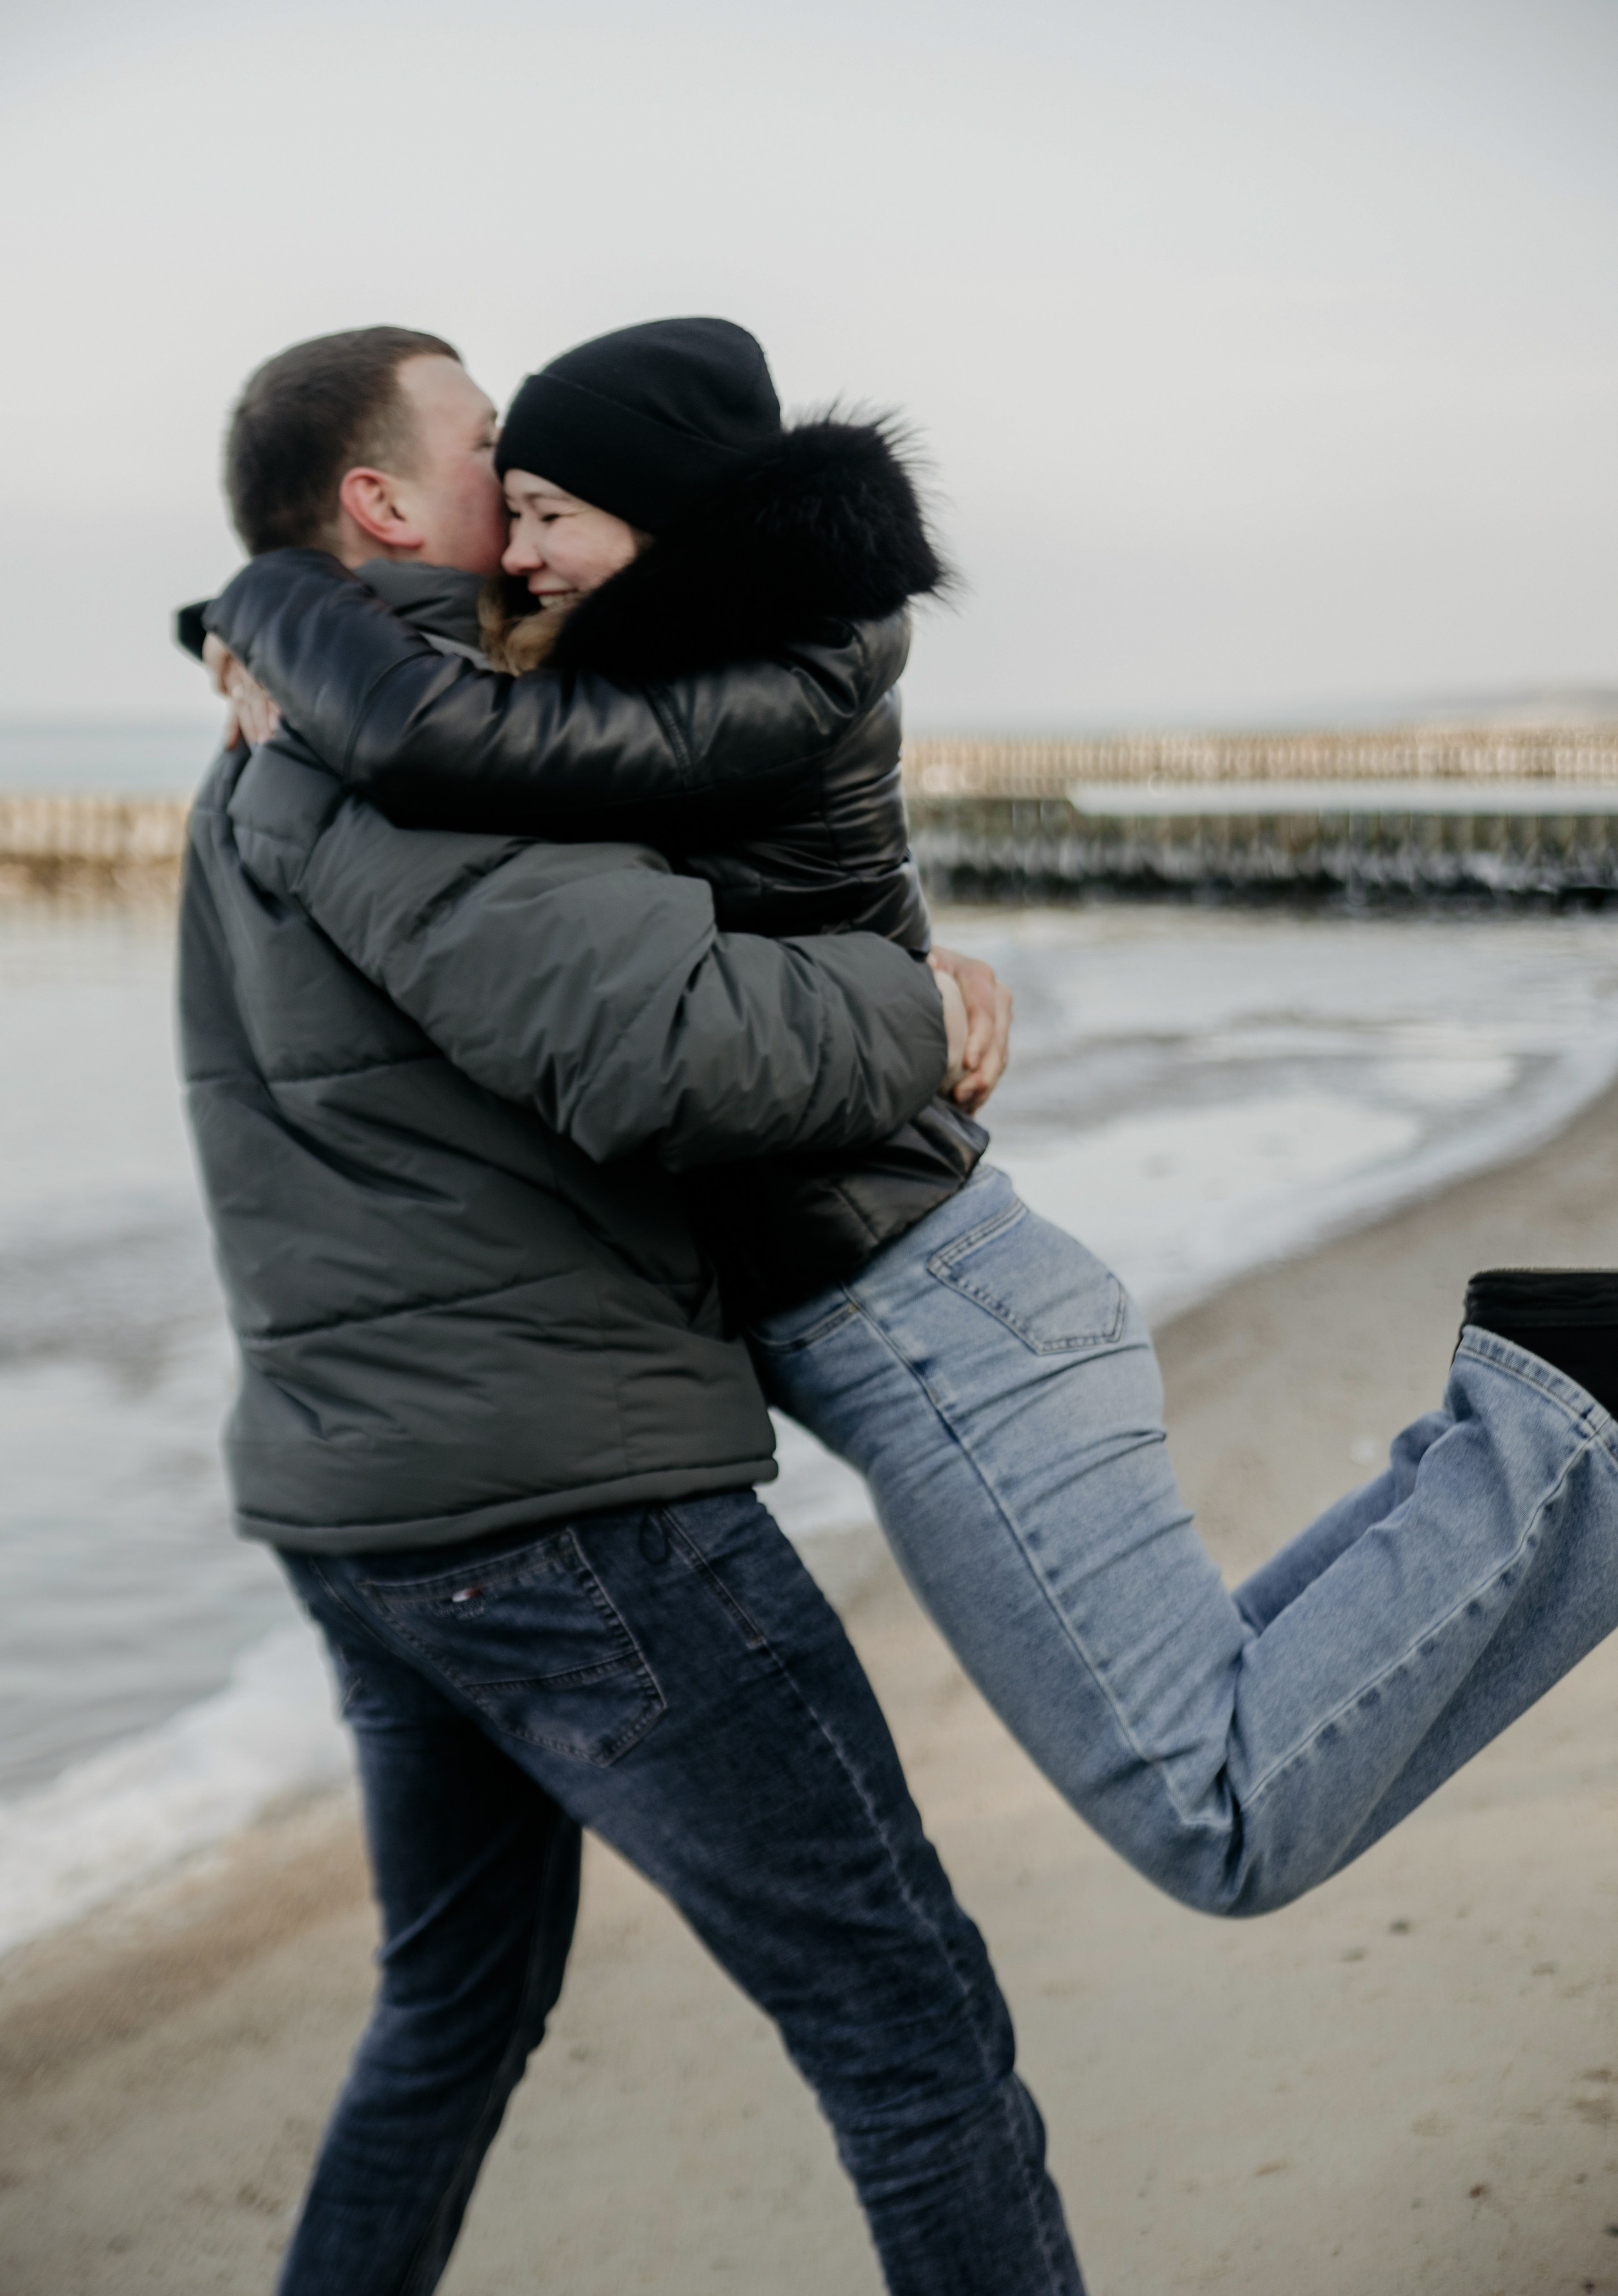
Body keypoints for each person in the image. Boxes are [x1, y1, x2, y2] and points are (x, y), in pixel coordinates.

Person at [204, 315, 1618, 1932]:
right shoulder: (671, 660)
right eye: (505, 508)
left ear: (662, 520)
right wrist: (268, 637)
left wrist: (270, 605)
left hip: (925, 1313)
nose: (519, 559)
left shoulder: (750, 660)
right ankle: (1545, 1421)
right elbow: (485, 763)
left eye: (548, 515)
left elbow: (446, 749)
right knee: (1231, 1704)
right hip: (930, 1300)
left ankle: (1565, 1411)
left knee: (1218, 1815)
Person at [178, 326, 1084, 2295]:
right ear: (380, 505)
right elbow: (664, 1053)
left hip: (366, 1501)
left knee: (450, 2022)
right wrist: (913, 1008)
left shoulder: (281, 735)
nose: (519, 494)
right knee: (906, 2027)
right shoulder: (385, 755)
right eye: (486, 448)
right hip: (566, 1512)